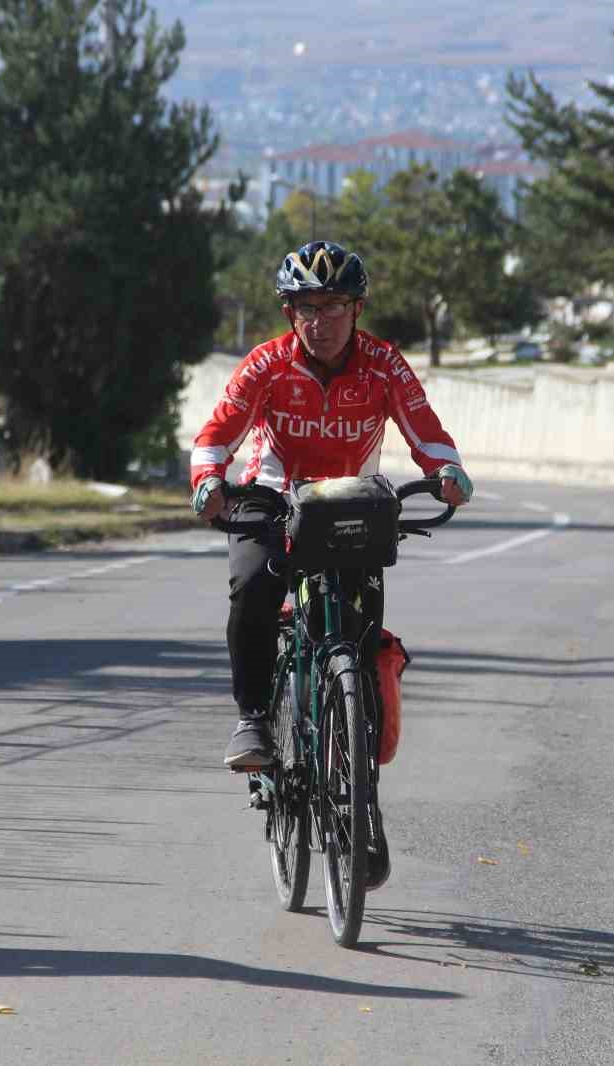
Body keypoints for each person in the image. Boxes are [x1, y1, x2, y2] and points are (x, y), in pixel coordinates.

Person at [191, 239, 472, 770]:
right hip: (271, 497)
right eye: (308, 308)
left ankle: (355, 723)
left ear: (357, 309)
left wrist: (447, 471)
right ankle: (253, 719)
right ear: (289, 312)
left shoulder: (384, 365)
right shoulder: (266, 365)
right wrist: (207, 480)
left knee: (361, 624)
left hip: (351, 501)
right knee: (252, 587)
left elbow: (425, 429)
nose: (322, 322)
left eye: (335, 306)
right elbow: (216, 434)